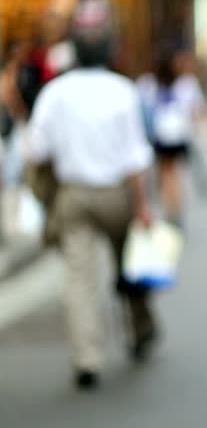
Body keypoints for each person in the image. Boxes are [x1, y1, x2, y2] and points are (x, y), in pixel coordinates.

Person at [25, 34, 157, 390]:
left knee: (79, 280)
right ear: (107, 54)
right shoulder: (122, 89)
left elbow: (37, 149)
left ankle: (87, 358)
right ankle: (141, 329)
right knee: (131, 262)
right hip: (117, 192)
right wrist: (143, 206)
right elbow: (136, 155)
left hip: (74, 195)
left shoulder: (55, 92)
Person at [138, 46, 207, 226]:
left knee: (166, 173)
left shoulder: (147, 84)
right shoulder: (187, 84)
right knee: (175, 173)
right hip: (180, 136)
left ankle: (171, 208)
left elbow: (141, 112)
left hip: (160, 137)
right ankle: (176, 208)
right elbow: (197, 111)